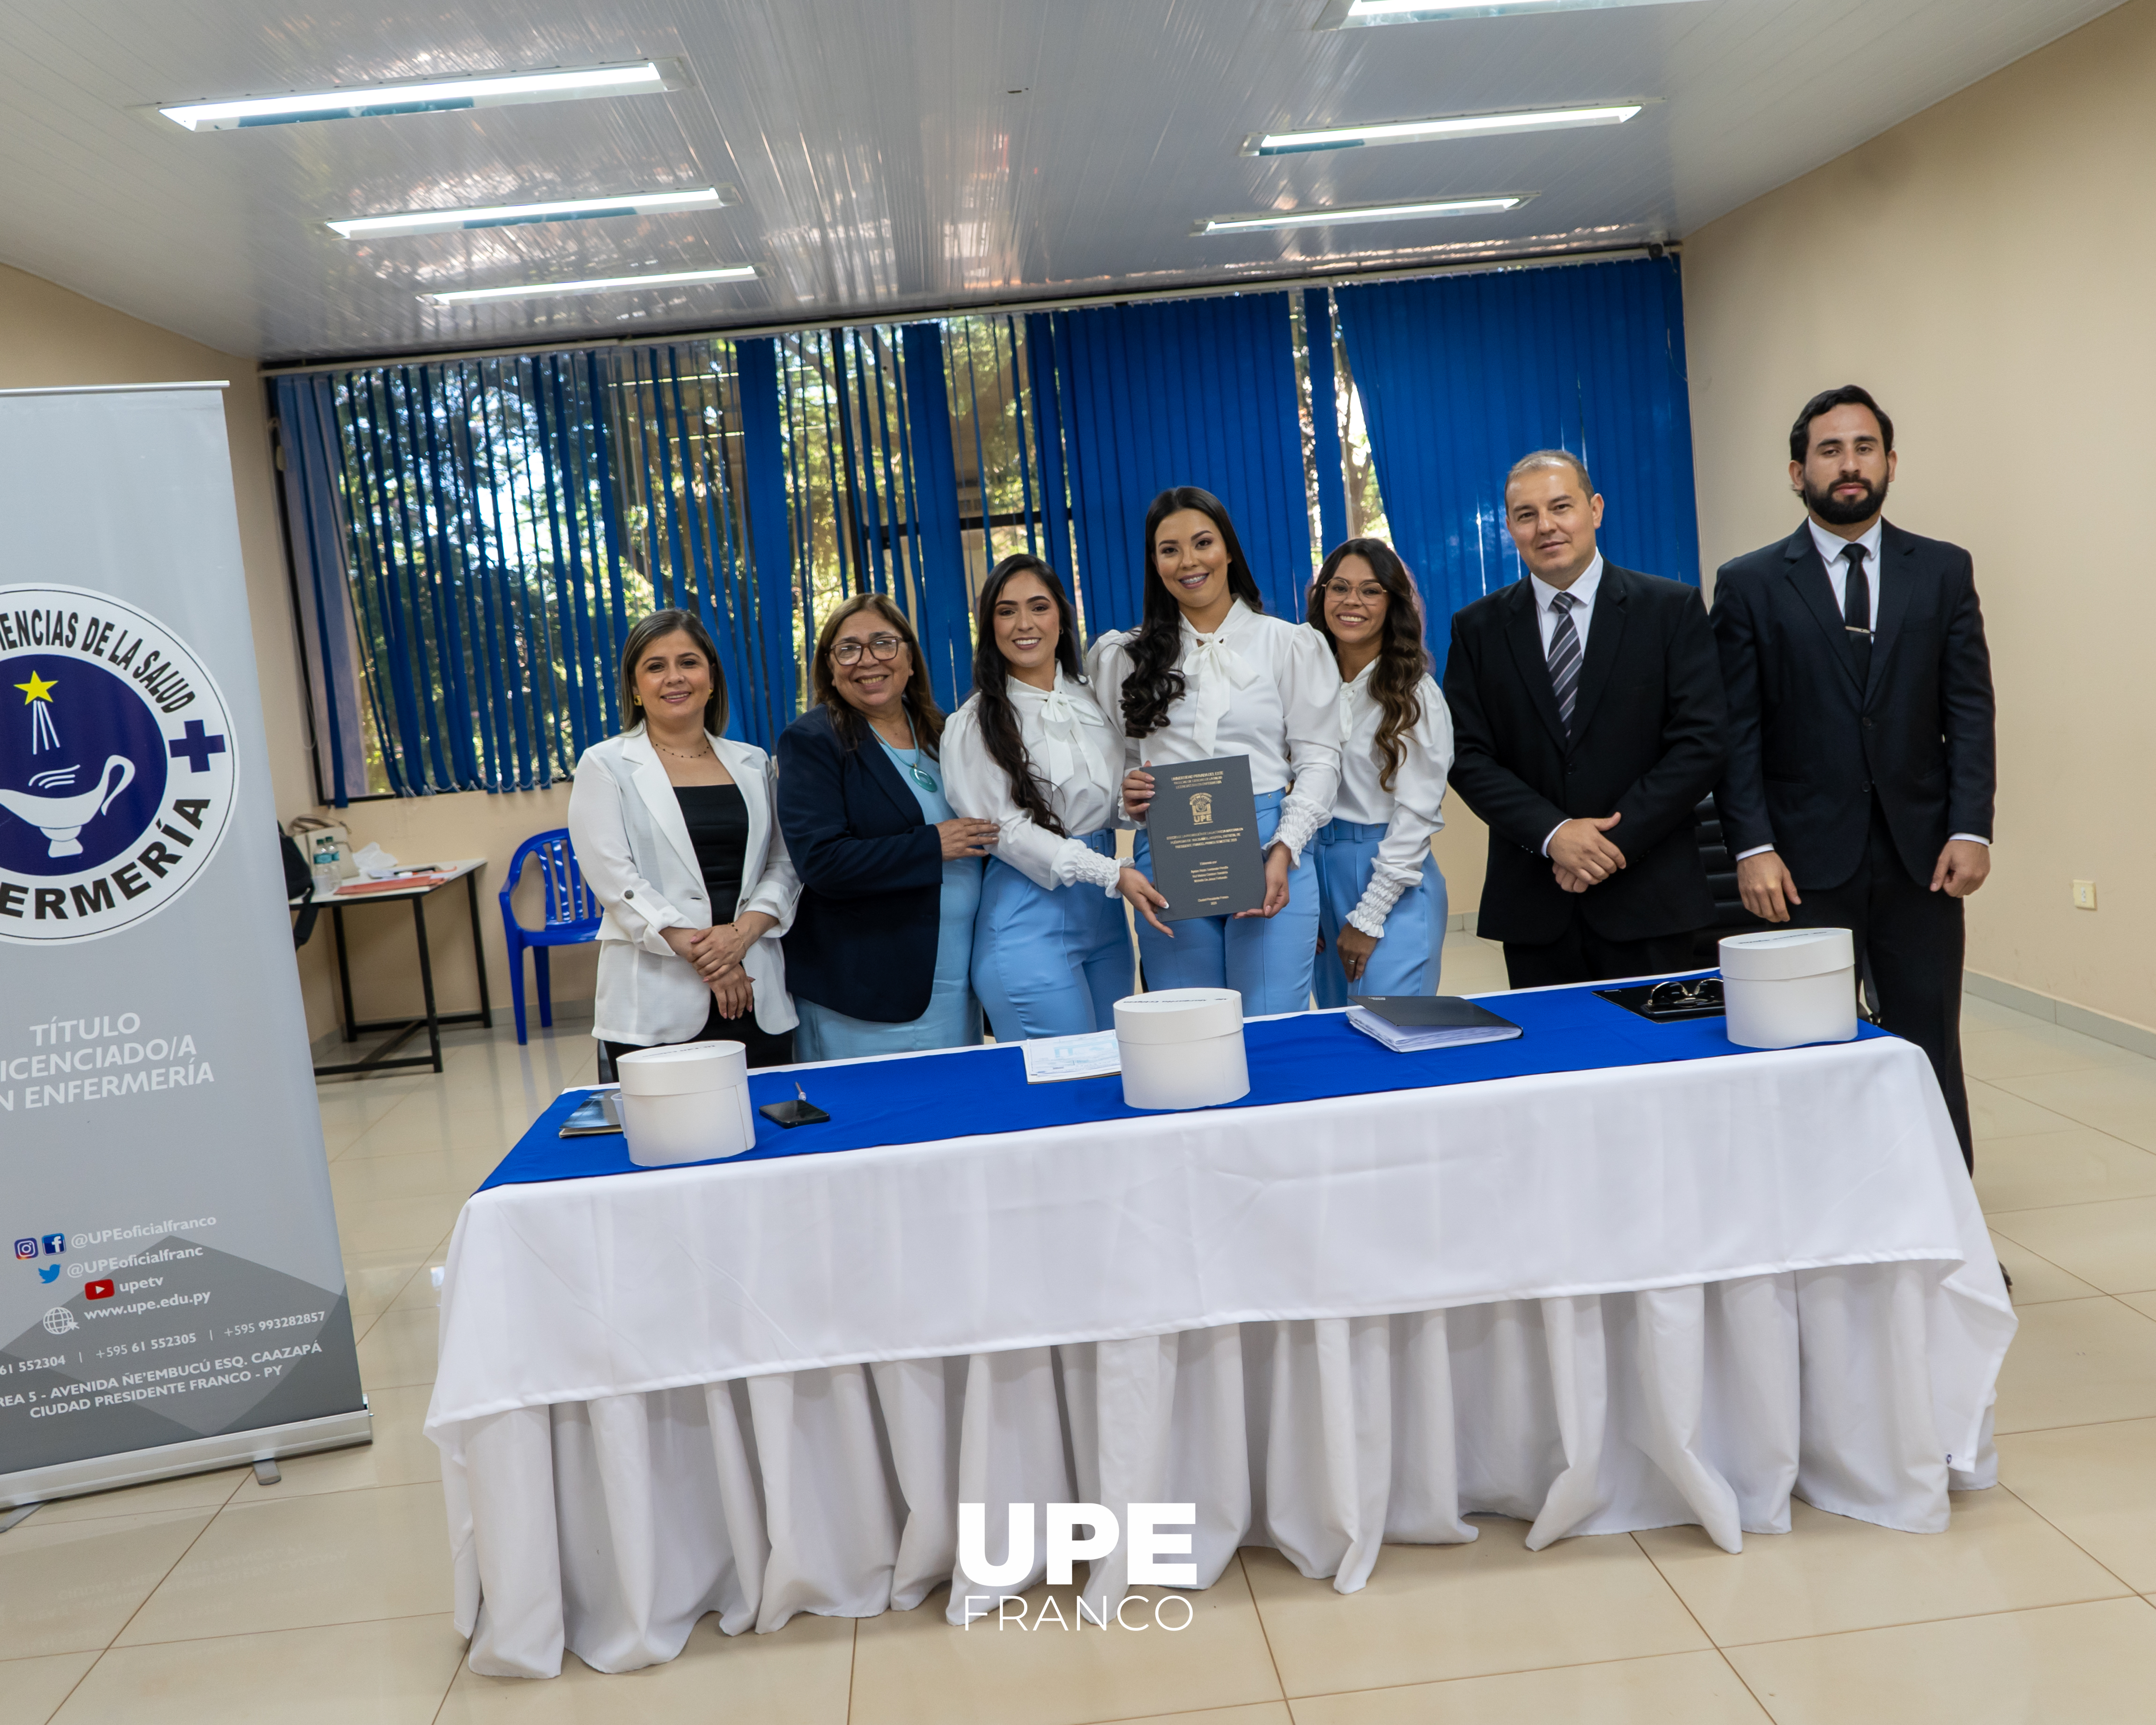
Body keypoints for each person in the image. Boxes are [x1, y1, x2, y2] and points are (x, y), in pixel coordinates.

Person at [1712, 385, 1994, 1166]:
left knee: (1925, 1039)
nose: (1847, 464)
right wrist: (1750, 846)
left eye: (1862, 447)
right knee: (1809, 1047)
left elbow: (1966, 706)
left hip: (1922, 860)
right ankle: (1824, 1225)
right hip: (1798, 864)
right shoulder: (1749, 583)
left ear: (1890, 462)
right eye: (1828, 449)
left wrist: (1969, 826)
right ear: (1795, 471)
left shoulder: (1940, 570)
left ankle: (1945, 1235)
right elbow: (1734, 732)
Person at [1443, 450, 1725, 987]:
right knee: (1554, 1068)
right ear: (1508, 527)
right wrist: (1553, 834)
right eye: (1525, 514)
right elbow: (1466, 754)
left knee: (1659, 1065)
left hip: (1649, 898)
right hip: (1534, 902)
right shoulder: (1475, 629)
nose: (1544, 526)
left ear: (1594, 509)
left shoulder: (1670, 609)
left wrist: (1605, 845)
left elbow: (1701, 743)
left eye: (1560, 506)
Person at [1089, 486, 1343, 1014]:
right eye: (1169, 549)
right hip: (1167, 851)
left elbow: (1319, 760)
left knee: (1271, 1022)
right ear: (1153, 562)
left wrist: (1284, 847)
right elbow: (1114, 767)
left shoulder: (1288, 644)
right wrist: (1127, 794)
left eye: (1202, 542)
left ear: (1228, 549)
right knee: (1191, 1024)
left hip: (1271, 844)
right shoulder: (1123, 655)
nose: (1188, 561)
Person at [568, 609, 801, 1071]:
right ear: (634, 687)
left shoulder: (754, 762)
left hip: (757, 989)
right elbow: (617, 882)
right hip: (657, 999)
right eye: (655, 666)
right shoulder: (604, 764)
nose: (674, 677)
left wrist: (741, 935)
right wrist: (713, 958)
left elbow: (784, 863)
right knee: (671, 1138)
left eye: (688, 662)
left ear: (710, 677)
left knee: (772, 1131)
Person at [775, 592, 997, 1058]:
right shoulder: (813, 740)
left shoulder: (946, 731)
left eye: (883, 643)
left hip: (956, 976)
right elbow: (821, 861)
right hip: (867, 987)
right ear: (830, 669)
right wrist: (931, 844)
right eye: (848, 649)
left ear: (910, 659)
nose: (867, 660)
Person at [943, 555, 1152, 1039]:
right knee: (1067, 1095)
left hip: (1104, 922)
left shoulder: (1092, 696)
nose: (1024, 624)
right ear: (988, 625)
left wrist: (1134, 802)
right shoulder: (973, 723)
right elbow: (1005, 832)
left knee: (1116, 1078)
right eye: (1006, 610)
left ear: (1061, 615)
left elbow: (1107, 804)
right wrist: (1110, 871)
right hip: (1026, 926)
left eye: (1038, 606)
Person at [1305, 539, 1454, 1006]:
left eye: (1370, 591)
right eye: (1340, 588)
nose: (1351, 601)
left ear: (1392, 604)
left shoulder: (1414, 693)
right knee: (1336, 1038)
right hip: (1315, 869)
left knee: (1389, 1037)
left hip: (1389, 876)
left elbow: (1415, 817)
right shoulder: (1303, 686)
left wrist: (1368, 917)